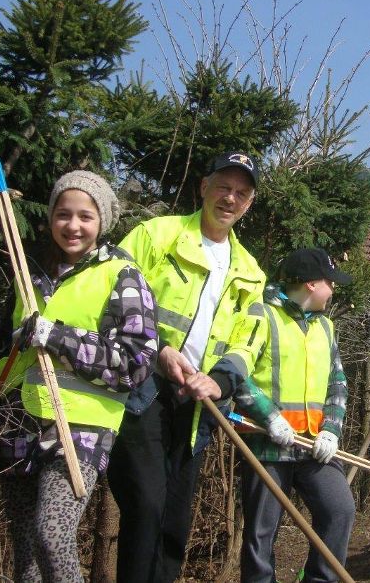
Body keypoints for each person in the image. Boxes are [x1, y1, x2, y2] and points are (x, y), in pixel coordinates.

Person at [0, 170, 158, 582]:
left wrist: (58, 336)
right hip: (18, 421)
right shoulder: (30, 275)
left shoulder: (123, 276)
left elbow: (135, 362)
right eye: (63, 214)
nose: (73, 226)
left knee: (51, 535)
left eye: (85, 216)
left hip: (81, 427)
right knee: (25, 557)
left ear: (103, 221)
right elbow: (4, 352)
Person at [106, 151, 266, 583]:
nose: (230, 198)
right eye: (223, 187)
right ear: (203, 187)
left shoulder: (250, 272)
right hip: (143, 388)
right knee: (146, 506)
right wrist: (157, 348)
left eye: (241, 193)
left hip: (197, 408)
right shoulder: (158, 234)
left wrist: (219, 380)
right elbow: (109, 288)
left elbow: (249, 340)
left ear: (249, 204)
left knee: (175, 518)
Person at [217, 247, 356, 583]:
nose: (334, 288)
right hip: (268, 445)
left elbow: (337, 383)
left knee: (340, 510)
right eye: (329, 281)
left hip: (313, 448)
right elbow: (239, 375)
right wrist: (269, 417)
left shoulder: (326, 327)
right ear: (310, 284)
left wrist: (332, 431)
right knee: (260, 535)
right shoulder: (261, 315)